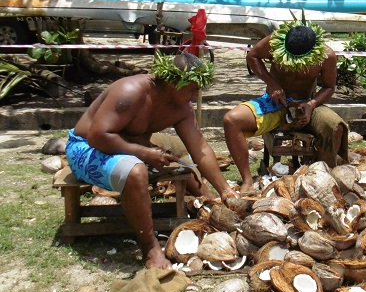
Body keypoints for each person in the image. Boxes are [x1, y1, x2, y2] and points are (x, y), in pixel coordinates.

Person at [65, 52, 239, 269]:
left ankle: (207, 207)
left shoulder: (182, 108)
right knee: (136, 171)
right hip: (85, 147)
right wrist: (143, 152)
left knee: (182, 164)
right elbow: (97, 135)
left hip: (126, 145)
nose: (195, 95)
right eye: (192, 88)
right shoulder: (130, 92)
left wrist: (224, 191)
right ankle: (151, 249)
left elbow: (200, 148)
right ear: (174, 82)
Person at [223, 16, 348, 193]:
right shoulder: (274, 42)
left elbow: (329, 87)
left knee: (334, 125)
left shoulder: (326, 56)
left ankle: (324, 178)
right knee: (231, 120)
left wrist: (311, 104)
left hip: (308, 105)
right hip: (273, 103)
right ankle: (247, 180)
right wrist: (272, 84)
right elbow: (253, 56)